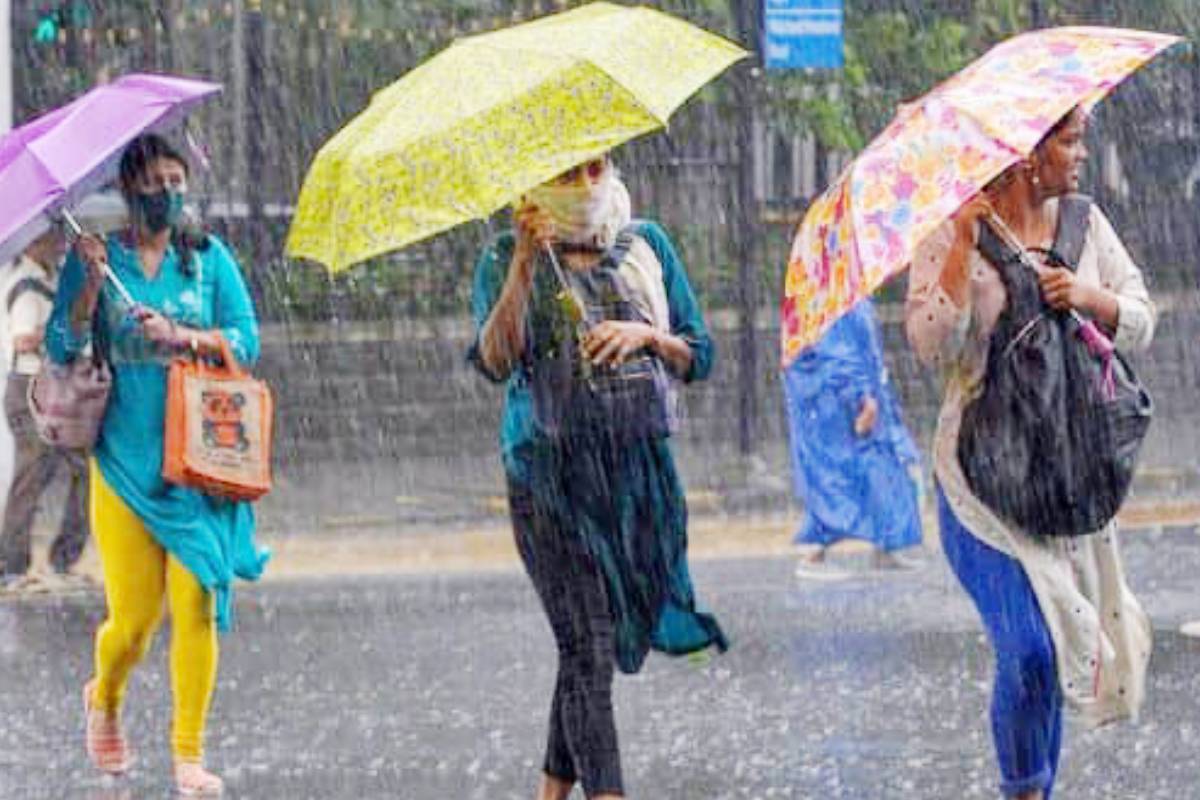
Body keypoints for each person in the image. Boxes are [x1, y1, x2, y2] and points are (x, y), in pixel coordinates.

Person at [906, 106, 1154, 800]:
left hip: (1066, 476)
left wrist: (1088, 296)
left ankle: (1036, 790)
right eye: (1068, 141)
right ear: (1023, 154)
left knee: (1058, 648)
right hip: (980, 488)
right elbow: (931, 347)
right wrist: (958, 246)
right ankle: (1025, 788)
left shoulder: (1085, 223)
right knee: (1031, 648)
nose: (1080, 154)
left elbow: (1141, 320)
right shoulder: (956, 229)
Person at [469, 154, 728, 799]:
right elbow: (495, 361)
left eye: (596, 168)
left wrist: (646, 336)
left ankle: (551, 792)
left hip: (635, 476)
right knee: (586, 641)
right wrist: (527, 263)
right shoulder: (506, 255)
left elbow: (700, 353)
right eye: (566, 175)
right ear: (534, 186)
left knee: (590, 645)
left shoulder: (647, 245)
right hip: (547, 477)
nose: (586, 186)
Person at [47, 134, 268, 797]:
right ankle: (105, 695)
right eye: (154, 181)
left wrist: (186, 338)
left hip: (198, 460)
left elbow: (246, 339)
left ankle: (187, 755)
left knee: (198, 596)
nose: (168, 191)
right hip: (123, 463)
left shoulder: (206, 260)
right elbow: (63, 343)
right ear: (127, 189)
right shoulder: (97, 260)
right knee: (134, 625)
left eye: (177, 178)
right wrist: (85, 289)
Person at [783, 297, 923, 577]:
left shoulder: (846, 293)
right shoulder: (830, 295)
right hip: (833, 403)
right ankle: (813, 554)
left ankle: (887, 544)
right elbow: (837, 354)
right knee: (835, 475)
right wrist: (860, 396)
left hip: (848, 396)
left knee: (881, 467)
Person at [0, 227, 90, 588]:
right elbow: (22, 340)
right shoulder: (25, 284)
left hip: (55, 390)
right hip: (31, 390)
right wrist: (59, 328)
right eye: (52, 238)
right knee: (32, 475)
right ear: (33, 242)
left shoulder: (54, 277)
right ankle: (11, 564)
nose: (58, 245)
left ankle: (60, 557)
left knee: (79, 470)